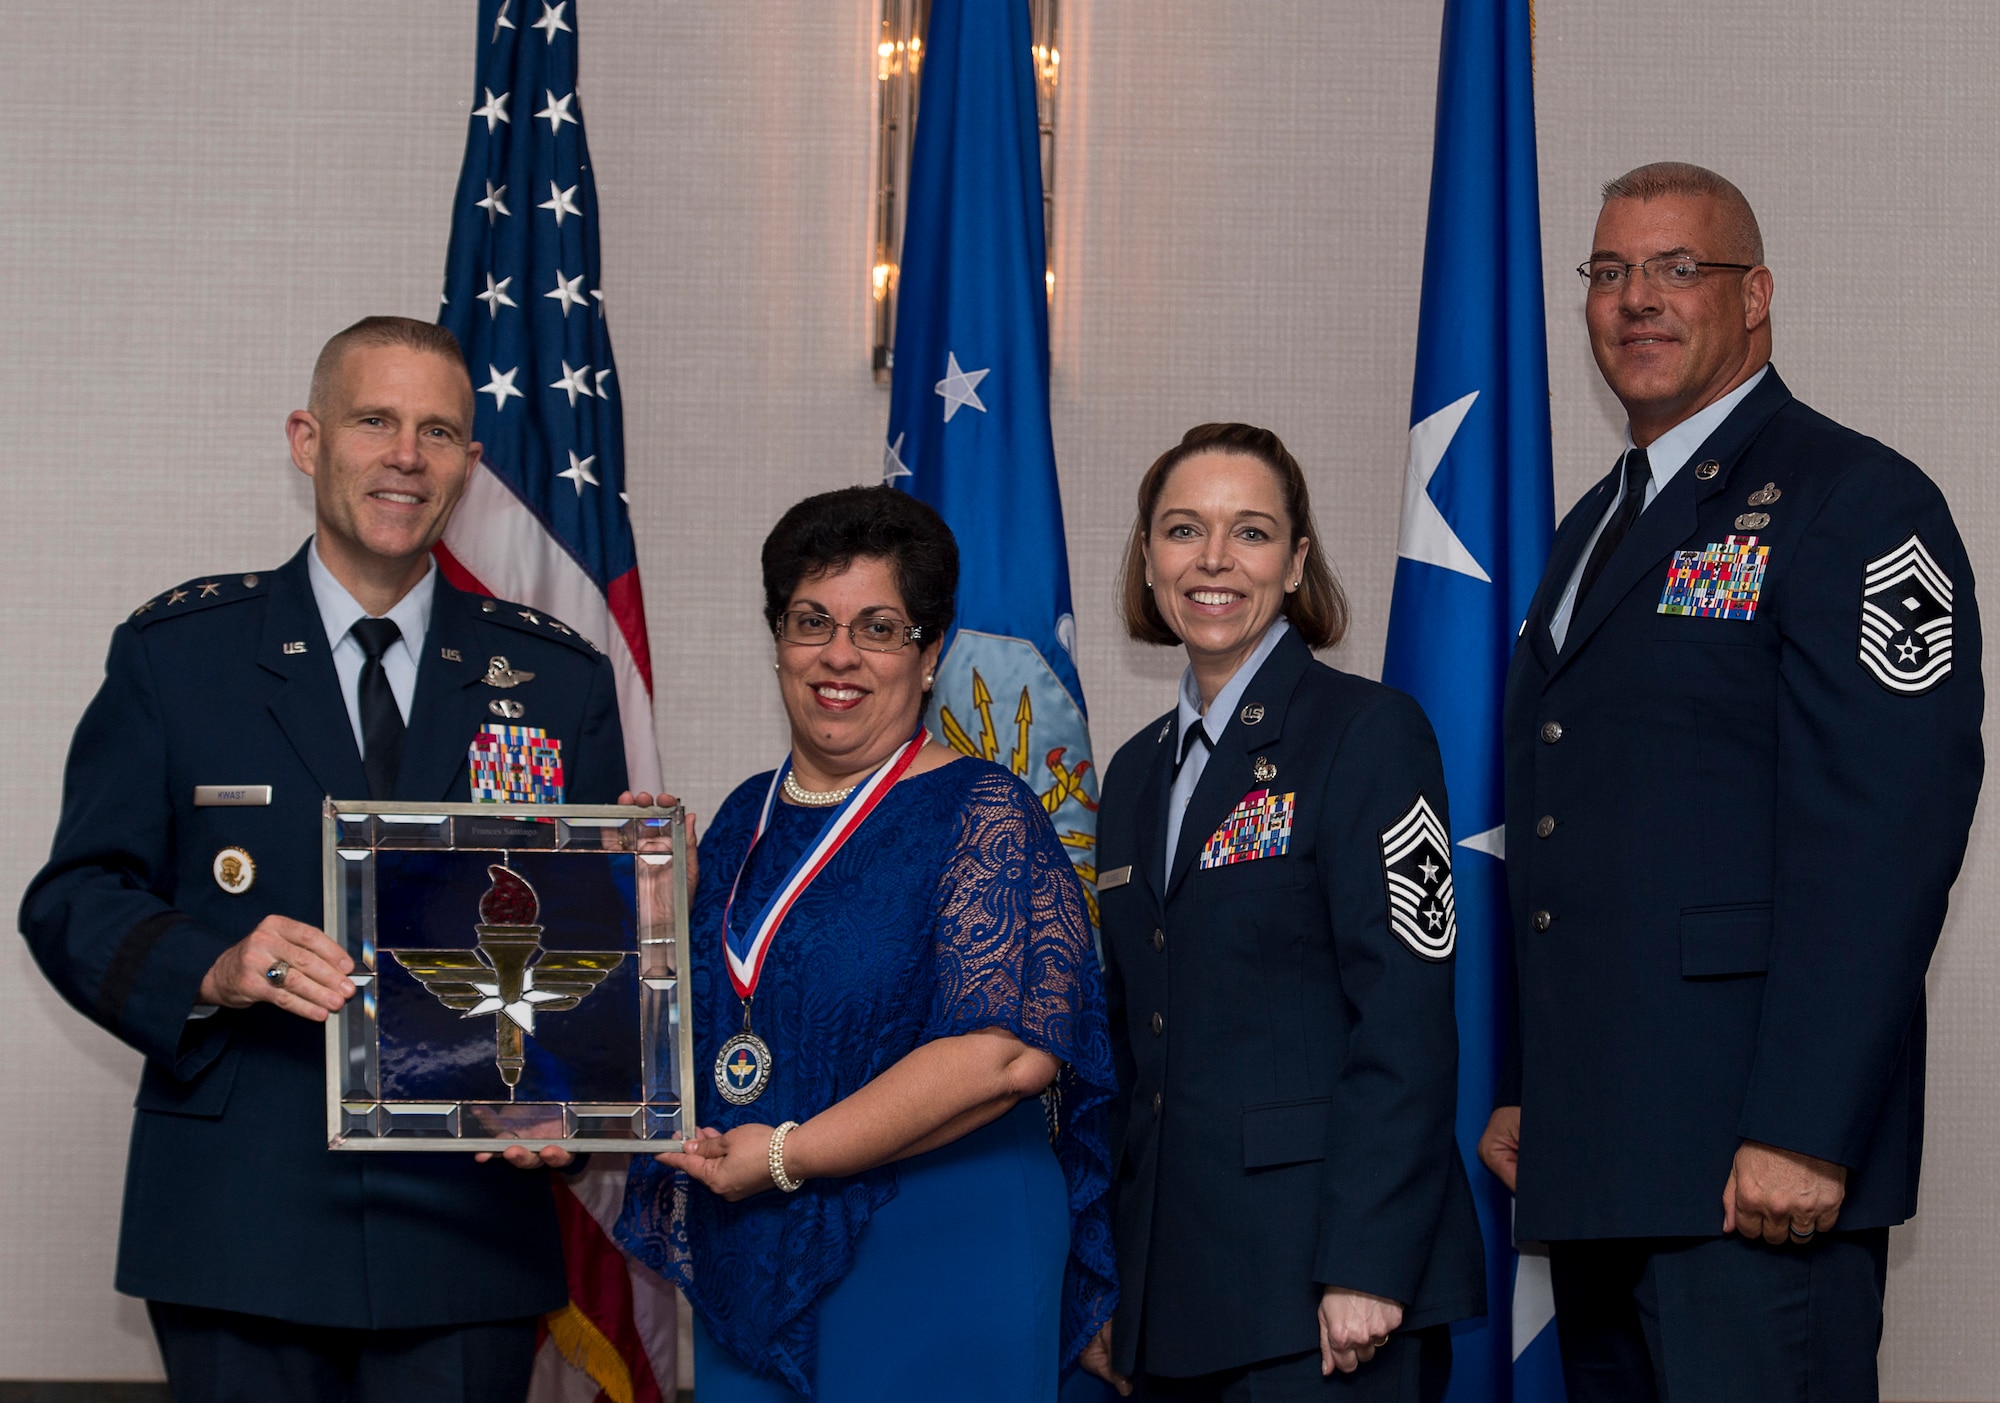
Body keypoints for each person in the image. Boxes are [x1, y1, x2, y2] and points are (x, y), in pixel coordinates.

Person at [20, 316, 631, 1401]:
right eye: (375, 421)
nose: (406, 454)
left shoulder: (553, 678)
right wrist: (208, 964)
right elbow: (74, 898)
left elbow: (578, 946)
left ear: (470, 466)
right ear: (308, 439)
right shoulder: (181, 656)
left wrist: (570, 1090)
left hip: (464, 1227)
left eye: (438, 430)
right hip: (239, 1214)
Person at [1478, 163, 1983, 1401]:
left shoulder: (1852, 498)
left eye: (1674, 269)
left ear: (1752, 295)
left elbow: (1883, 832)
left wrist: (1806, 1125)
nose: (1633, 299)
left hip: (1752, 1173)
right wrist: (1541, 1091)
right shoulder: (1594, 522)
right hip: (1607, 1164)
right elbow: (1581, 827)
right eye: (1606, 272)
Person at [612, 485, 1117, 1401]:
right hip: (752, 1250)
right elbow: (714, 1033)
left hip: (941, 1245)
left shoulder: (984, 812)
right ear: (777, 641)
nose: (838, 654)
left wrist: (784, 1157)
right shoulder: (736, 821)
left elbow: (1004, 1056)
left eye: (878, 627)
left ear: (929, 655)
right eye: (812, 621)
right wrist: (662, 918)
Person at [1083, 423, 1485, 1401]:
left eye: (1250, 532)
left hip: (1324, 1292)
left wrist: (1367, 1258)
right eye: (1182, 530)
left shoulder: (1366, 733)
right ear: (1146, 557)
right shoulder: (1134, 772)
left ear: (1296, 559)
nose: (1212, 559)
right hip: (1170, 1297)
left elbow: (1405, 1013)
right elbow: (1139, 1051)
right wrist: (1108, 1287)